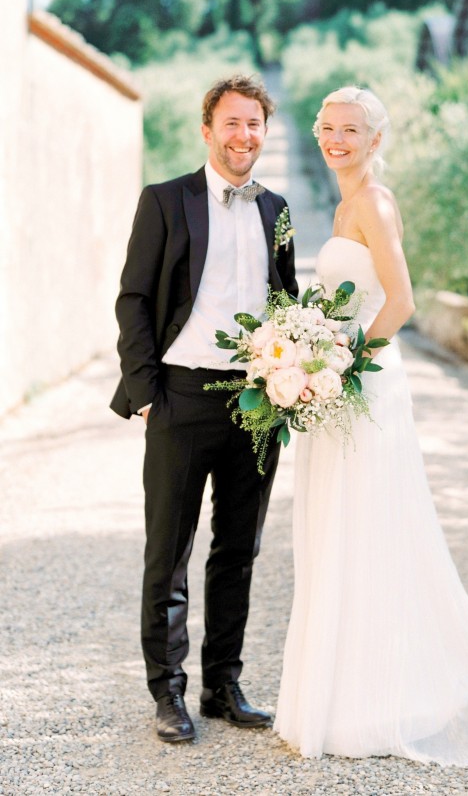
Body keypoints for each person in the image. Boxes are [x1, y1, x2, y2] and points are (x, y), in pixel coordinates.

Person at [274, 86, 468, 765]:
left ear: (375, 140)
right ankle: (345, 695)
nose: (337, 138)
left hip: (364, 386)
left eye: (352, 130)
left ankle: (383, 701)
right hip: (338, 386)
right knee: (340, 527)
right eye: (329, 128)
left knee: (372, 526)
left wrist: (341, 365)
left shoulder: (373, 202)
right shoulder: (345, 203)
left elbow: (401, 301)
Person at [110, 74, 298, 743]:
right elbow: (133, 299)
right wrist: (146, 395)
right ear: (207, 127)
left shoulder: (275, 209)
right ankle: (169, 692)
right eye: (232, 122)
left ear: (264, 132)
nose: (243, 135)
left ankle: (224, 684)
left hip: (257, 403)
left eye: (255, 124)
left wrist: (293, 384)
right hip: (181, 398)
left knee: (238, 551)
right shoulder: (165, 201)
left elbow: (287, 301)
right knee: (169, 552)